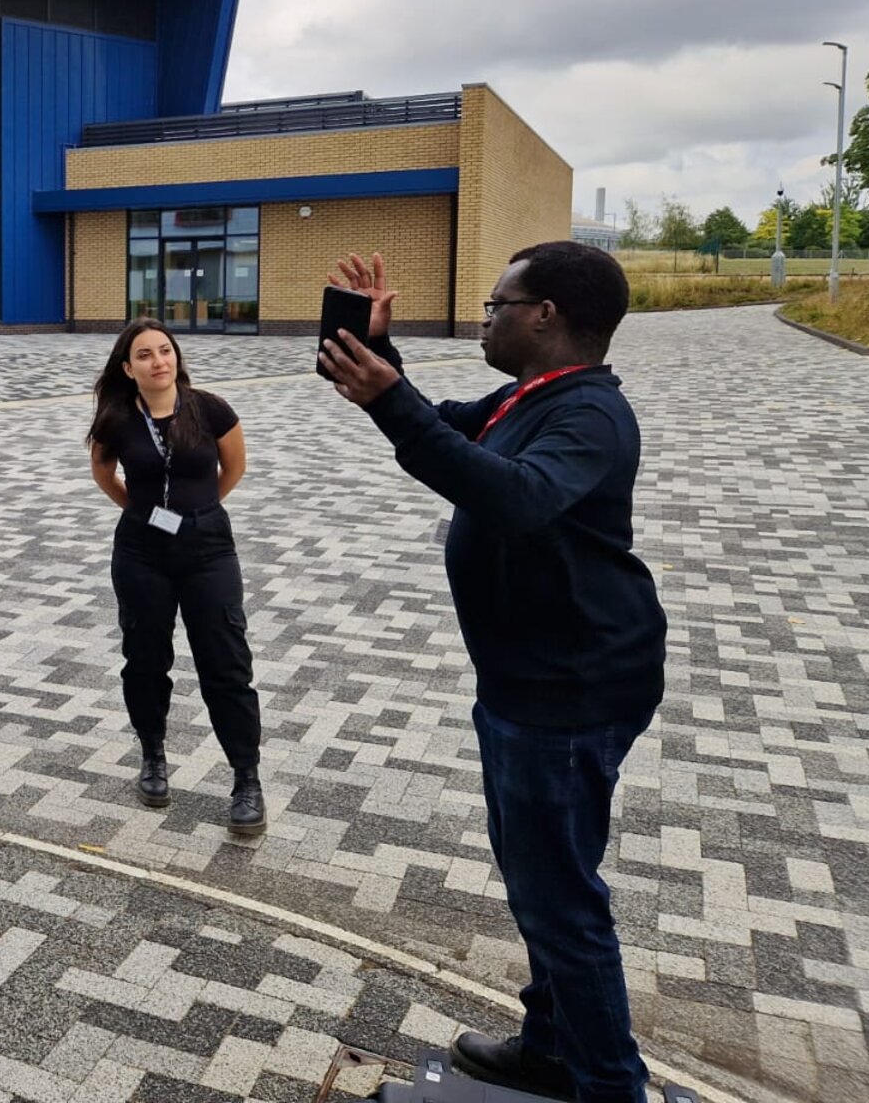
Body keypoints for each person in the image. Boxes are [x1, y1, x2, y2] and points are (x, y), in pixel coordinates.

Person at [321, 245, 665, 1103]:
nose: (484, 314)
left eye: (495, 301)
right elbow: (438, 427)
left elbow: (510, 497)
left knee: (560, 902)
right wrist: (379, 360)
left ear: (543, 313)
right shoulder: (528, 396)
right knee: (541, 881)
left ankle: (609, 1087)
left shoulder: (589, 415)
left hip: (569, 690)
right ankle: (552, 1047)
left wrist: (393, 401)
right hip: (529, 680)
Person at [87, 319, 264, 833]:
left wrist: (199, 512)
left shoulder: (209, 409)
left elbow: (234, 468)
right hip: (141, 552)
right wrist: (143, 512)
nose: (158, 361)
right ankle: (154, 756)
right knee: (144, 659)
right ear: (128, 367)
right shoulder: (116, 417)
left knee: (226, 662)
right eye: (145, 355)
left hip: (208, 549)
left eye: (165, 350)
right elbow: (104, 473)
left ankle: (246, 779)